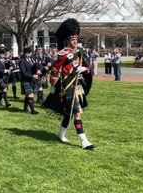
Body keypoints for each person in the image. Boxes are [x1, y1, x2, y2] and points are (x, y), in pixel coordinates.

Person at [43, 18, 95, 150]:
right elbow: (55, 68)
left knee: (70, 113)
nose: (75, 42)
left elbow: (87, 67)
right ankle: (84, 141)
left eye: (76, 40)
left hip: (78, 86)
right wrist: (53, 79)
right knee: (77, 112)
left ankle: (61, 134)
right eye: (73, 40)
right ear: (67, 40)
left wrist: (85, 69)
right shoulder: (64, 54)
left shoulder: (79, 53)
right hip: (68, 86)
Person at [19, 47, 39, 114]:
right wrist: (32, 76)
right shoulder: (22, 61)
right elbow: (23, 72)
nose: (29, 54)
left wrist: (38, 69)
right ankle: (32, 110)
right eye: (27, 53)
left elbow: (35, 68)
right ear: (24, 53)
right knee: (30, 94)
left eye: (29, 53)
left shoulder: (31, 60)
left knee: (28, 95)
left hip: (31, 79)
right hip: (25, 79)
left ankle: (25, 108)